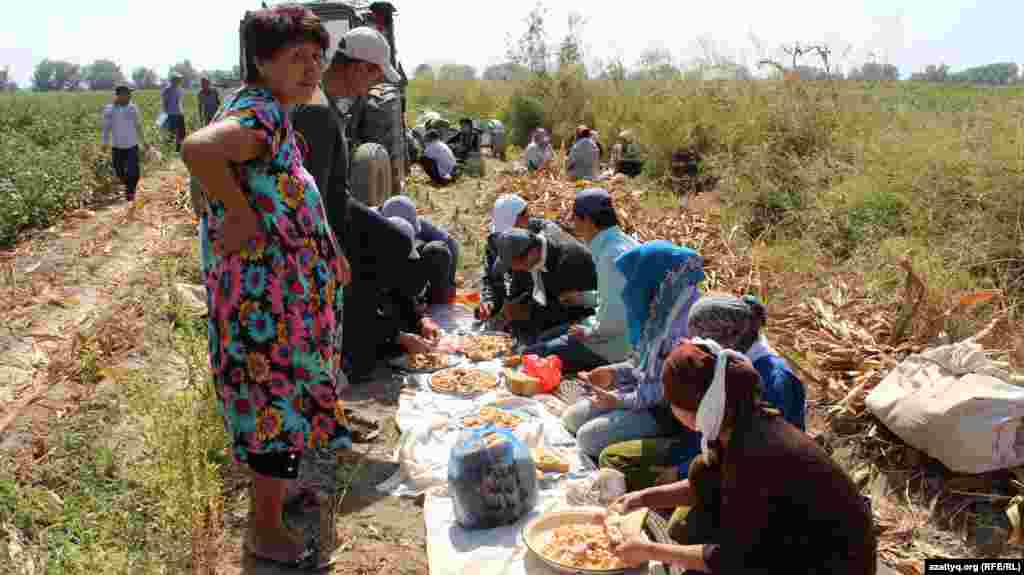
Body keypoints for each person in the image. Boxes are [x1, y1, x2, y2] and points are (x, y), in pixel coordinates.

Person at [182, 7, 393, 566]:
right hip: (265, 303)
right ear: (261, 60)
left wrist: (331, 251)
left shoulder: (276, 113)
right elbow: (199, 148)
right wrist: (235, 212)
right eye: (296, 58)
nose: (311, 68)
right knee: (271, 402)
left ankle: (285, 489)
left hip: (287, 297)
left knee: (287, 400)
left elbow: (292, 196)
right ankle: (265, 530)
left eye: (316, 56)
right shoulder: (259, 115)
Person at [603, 340, 877, 574]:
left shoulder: (757, 454)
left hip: (829, 565)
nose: (670, 408)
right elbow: (702, 483)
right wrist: (641, 498)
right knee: (690, 527)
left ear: (697, 406)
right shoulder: (740, 424)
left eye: (673, 401)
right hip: (802, 544)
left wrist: (649, 550)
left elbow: (733, 559)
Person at [287, 25, 410, 385]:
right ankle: (357, 355)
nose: (372, 87)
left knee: (394, 243)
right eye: (373, 76)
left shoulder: (324, 104)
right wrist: (333, 249)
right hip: (325, 225)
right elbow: (315, 194)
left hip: (336, 210)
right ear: (357, 67)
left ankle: (364, 348)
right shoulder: (317, 113)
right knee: (377, 258)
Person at [599, 293, 807, 492]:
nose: (699, 348)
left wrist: (681, 473)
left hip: (736, 473)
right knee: (614, 458)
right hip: (696, 448)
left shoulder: (774, 380)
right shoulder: (727, 359)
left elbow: (749, 455)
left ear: (727, 336)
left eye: (702, 341)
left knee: (681, 524)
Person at [562, 240, 704, 458]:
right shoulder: (660, 308)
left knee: (587, 438)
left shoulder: (689, 324)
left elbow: (668, 388)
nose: (630, 286)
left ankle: (664, 444)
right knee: (572, 418)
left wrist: (620, 401)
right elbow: (641, 363)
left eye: (635, 278)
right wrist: (612, 373)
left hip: (665, 412)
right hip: (638, 391)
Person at [522, 188, 637, 372]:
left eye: (575, 219)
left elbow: (615, 322)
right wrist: (582, 298)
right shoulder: (621, 242)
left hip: (613, 346)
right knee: (545, 338)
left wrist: (587, 332)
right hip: (610, 332)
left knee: (533, 354)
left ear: (589, 221)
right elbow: (618, 298)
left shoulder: (610, 256)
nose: (573, 225)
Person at [490, 227, 598, 342]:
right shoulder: (525, 264)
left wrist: (528, 312)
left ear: (531, 253)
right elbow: (518, 292)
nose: (512, 269)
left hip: (585, 326)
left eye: (513, 264)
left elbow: (574, 309)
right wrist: (511, 307)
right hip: (546, 320)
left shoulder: (571, 259)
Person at [477, 194, 566, 324]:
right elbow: (491, 276)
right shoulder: (496, 239)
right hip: (521, 290)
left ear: (523, 218)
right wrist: (488, 301)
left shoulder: (544, 232)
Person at [370, 217, 443, 358]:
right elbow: (360, 318)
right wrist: (399, 337)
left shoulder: (395, 270)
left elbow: (404, 300)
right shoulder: (360, 272)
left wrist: (423, 320)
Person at [380, 195, 460, 304]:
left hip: (413, 270)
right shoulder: (370, 225)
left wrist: (448, 285)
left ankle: (431, 298)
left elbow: (451, 245)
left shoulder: (423, 227)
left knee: (437, 251)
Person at [101, 84, 145, 202]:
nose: (130, 96)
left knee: (134, 172)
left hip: (132, 145)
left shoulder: (133, 108)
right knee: (119, 171)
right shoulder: (109, 109)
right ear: (120, 95)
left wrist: (144, 141)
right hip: (117, 146)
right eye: (128, 94)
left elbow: (138, 125)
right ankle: (128, 186)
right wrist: (104, 143)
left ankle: (130, 192)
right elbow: (106, 128)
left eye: (130, 94)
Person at [161, 74, 186, 152]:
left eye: (180, 80)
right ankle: (167, 149)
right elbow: (164, 103)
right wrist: (164, 116)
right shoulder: (167, 90)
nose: (179, 81)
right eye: (177, 79)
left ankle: (178, 149)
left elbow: (180, 102)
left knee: (181, 132)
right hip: (171, 114)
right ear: (172, 80)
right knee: (171, 133)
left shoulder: (180, 90)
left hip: (180, 113)